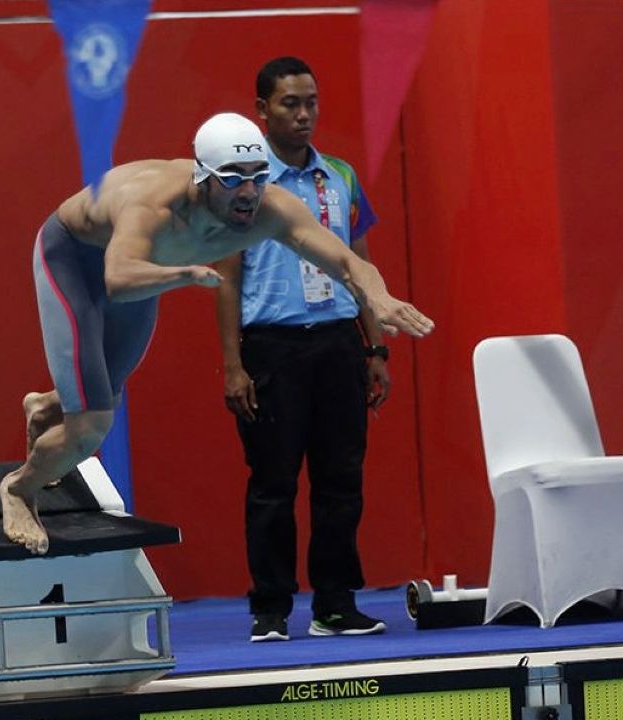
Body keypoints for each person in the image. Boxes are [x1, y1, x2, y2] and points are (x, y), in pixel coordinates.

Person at [0, 112, 434, 557]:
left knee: (103, 391)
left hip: (152, 270)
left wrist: (378, 297)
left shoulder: (273, 208)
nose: (248, 192)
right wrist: (184, 273)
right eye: (231, 178)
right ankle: (19, 488)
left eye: (258, 176)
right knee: (91, 426)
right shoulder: (154, 204)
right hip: (77, 262)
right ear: (202, 176)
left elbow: (346, 261)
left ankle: (45, 406)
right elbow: (118, 278)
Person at [215, 58, 392, 642]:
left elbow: (360, 264)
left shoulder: (339, 176)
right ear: (261, 110)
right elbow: (227, 277)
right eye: (290, 103)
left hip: (340, 343)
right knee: (273, 484)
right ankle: (270, 609)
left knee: (342, 481)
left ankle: (335, 605)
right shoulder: (243, 184)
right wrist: (233, 365)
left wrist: (376, 348)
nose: (303, 114)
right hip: (273, 348)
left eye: (311, 102)